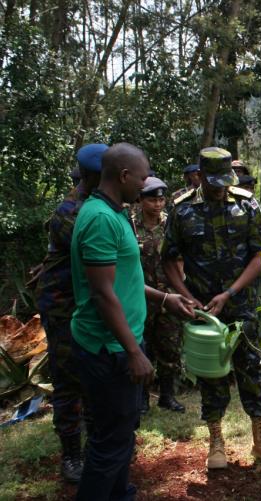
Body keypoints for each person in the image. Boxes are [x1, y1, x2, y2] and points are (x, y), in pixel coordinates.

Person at [70, 143, 194, 500]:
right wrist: (133, 352)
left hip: (120, 343)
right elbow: (103, 294)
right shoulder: (99, 219)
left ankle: (120, 493)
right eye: (142, 178)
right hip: (108, 348)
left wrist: (165, 298)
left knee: (122, 435)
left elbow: (125, 279)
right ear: (124, 176)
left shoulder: (116, 212)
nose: (144, 185)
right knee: (109, 442)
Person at [162, 147, 261, 470]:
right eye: (212, 181)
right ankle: (216, 442)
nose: (219, 188)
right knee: (211, 376)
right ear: (199, 177)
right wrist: (186, 295)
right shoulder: (182, 210)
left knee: (251, 370)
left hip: (241, 305)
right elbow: (168, 258)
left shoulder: (246, 203)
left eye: (224, 181)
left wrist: (231, 292)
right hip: (203, 310)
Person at [33, 143, 106, 483]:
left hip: (89, 307)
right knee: (68, 380)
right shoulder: (71, 213)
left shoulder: (99, 205)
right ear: (92, 176)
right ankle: (72, 456)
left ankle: (96, 447)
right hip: (64, 308)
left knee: (93, 378)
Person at [132, 176, 185, 414]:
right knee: (143, 348)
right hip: (140, 296)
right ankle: (142, 399)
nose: (157, 204)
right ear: (141, 200)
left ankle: (167, 396)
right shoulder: (130, 225)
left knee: (170, 348)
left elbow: (181, 257)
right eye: (152, 200)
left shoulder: (170, 225)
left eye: (161, 199)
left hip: (169, 295)